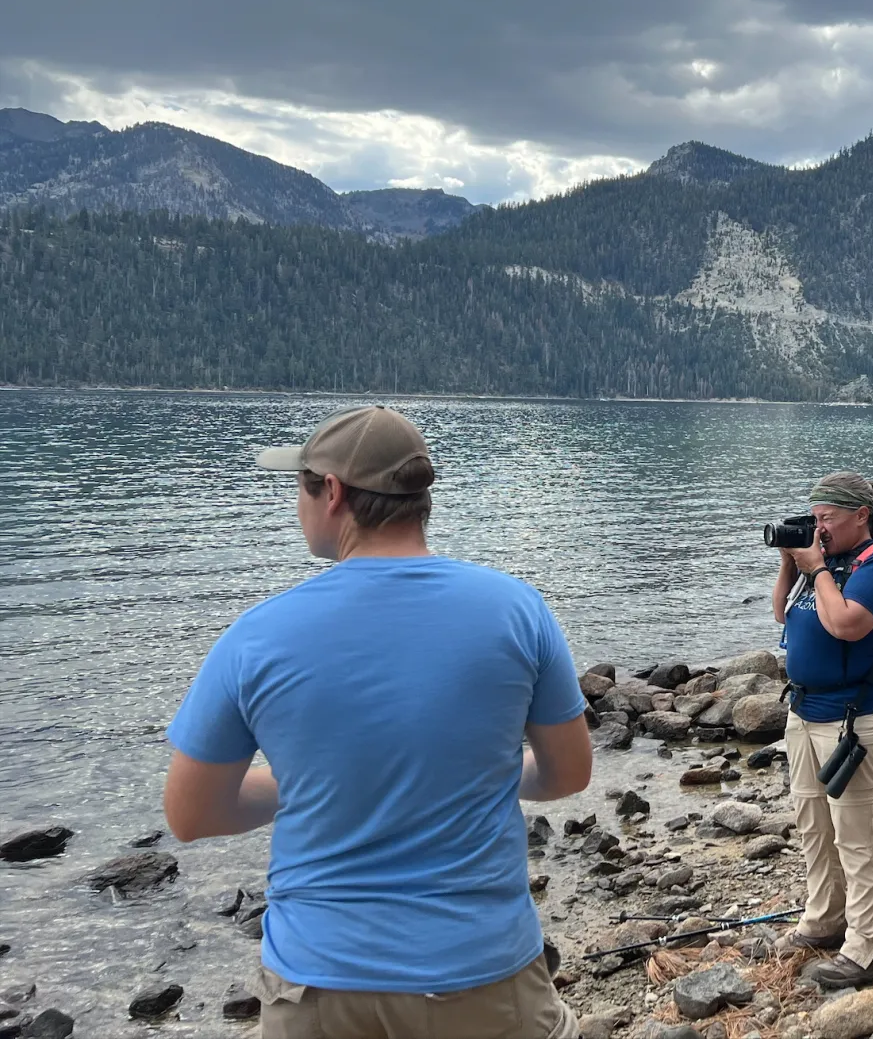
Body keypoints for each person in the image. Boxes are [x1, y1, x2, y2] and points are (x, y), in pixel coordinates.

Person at [163, 406, 590, 1039]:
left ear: (331, 493)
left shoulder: (256, 637)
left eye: (301, 486)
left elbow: (192, 815)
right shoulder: (516, 611)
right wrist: (482, 774)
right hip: (484, 975)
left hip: (321, 984)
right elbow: (568, 774)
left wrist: (312, 782)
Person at [772, 473, 873, 989]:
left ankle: (869, 950)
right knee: (813, 823)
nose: (819, 528)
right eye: (815, 518)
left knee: (857, 836)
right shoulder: (821, 565)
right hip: (805, 712)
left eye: (827, 519)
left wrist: (819, 568)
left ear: (861, 516)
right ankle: (824, 918)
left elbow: (847, 625)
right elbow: (782, 613)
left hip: (856, 716)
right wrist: (793, 563)